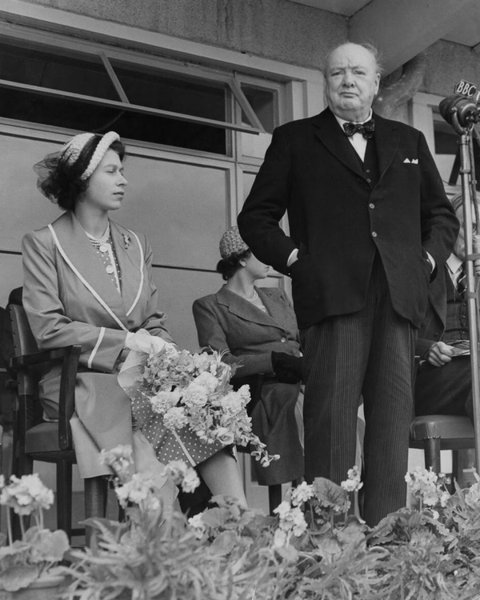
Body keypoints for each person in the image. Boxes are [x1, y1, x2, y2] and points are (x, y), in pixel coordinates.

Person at [237, 42, 459, 525]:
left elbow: (441, 217)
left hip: (398, 300)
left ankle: (386, 541)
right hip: (332, 298)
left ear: (376, 82)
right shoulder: (295, 139)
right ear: (326, 82)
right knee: (331, 425)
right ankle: (328, 543)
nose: (347, 81)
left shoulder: (408, 141)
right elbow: (255, 218)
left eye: (358, 72)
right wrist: (297, 260)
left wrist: (422, 262)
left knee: (390, 428)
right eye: (337, 72)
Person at [22, 131, 247, 508]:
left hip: (142, 374)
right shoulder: (44, 243)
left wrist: (173, 362)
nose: (123, 180)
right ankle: (163, 531)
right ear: (81, 179)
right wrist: (126, 342)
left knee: (202, 407)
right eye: (111, 171)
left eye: (122, 171)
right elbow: (48, 329)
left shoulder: (137, 244)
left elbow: (153, 322)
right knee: (151, 411)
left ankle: (239, 524)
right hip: (81, 378)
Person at [192, 226, 304, 489]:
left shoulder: (276, 295)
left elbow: (300, 337)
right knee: (297, 406)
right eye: (262, 251)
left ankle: (336, 486)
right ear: (241, 259)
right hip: (262, 388)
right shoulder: (210, 306)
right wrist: (273, 361)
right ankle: (304, 494)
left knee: (340, 402)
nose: (271, 257)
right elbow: (221, 364)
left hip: (302, 376)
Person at [415, 193, 475, 422]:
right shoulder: (422, 268)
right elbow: (393, 330)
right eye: (471, 226)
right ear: (450, 227)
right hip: (432, 377)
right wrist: (426, 348)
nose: (476, 235)